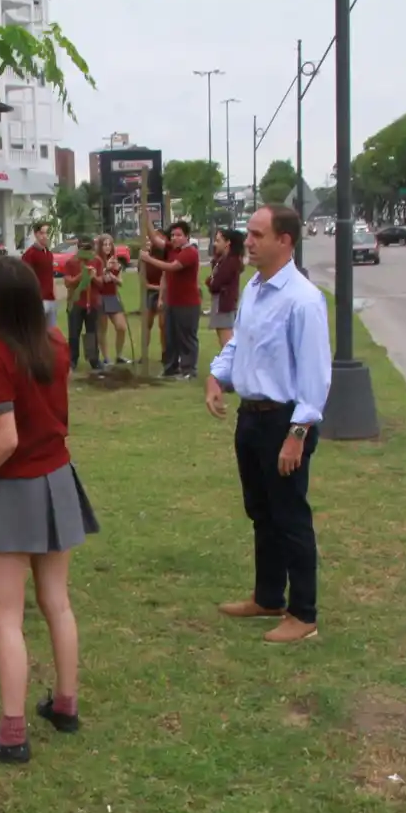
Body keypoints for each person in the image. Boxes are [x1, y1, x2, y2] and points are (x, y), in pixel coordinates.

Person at [0, 256, 100, 764]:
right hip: (56, 477)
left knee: (5, 615)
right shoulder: (54, 342)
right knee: (57, 602)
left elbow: (5, 439)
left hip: (15, 489)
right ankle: (65, 705)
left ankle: (11, 735)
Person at [205, 205, 332, 644]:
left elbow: (315, 379)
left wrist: (297, 435)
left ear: (286, 241)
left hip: (285, 421)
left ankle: (304, 613)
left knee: (289, 515)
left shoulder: (302, 299)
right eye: (248, 234)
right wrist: (217, 375)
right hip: (252, 418)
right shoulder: (255, 289)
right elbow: (240, 342)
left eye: (259, 234)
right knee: (261, 512)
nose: (250, 242)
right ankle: (268, 596)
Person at [141, 222, 201, 379]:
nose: (174, 238)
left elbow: (171, 267)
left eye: (179, 235)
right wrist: (145, 215)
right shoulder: (172, 249)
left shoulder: (190, 252)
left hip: (187, 303)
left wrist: (148, 259)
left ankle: (189, 370)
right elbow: (155, 239)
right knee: (170, 337)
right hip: (171, 302)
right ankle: (170, 368)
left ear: (187, 236)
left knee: (186, 337)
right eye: (173, 235)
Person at [62, 234, 103, 372]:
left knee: (92, 332)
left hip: (92, 302)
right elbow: (68, 283)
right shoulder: (71, 262)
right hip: (76, 303)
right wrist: (81, 276)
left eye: (90, 250)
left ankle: (93, 360)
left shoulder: (97, 261)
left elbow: (102, 282)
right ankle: (73, 360)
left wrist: (94, 277)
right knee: (74, 333)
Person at [206, 228, 246, 349]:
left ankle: (232, 366)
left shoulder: (231, 262)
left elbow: (215, 284)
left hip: (224, 305)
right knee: (223, 338)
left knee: (227, 342)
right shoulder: (222, 260)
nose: (215, 244)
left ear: (227, 243)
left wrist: (210, 282)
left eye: (218, 241)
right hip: (221, 304)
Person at [94, 233, 130, 365]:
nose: (107, 247)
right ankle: (106, 358)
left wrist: (114, 278)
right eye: (105, 244)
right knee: (102, 328)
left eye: (110, 244)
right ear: (100, 246)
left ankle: (119, 355)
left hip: (112, 297)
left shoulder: (116, 262)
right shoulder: (97, 261)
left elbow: (121, 282)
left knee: (121, 327)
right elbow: (95, 277)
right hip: (100, 297)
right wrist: (105, 269)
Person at [140, 230, 170, 367]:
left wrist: (162, 292)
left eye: (161, 237)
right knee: (147, 324)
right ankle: (144, 353)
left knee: (163, 324)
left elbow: (167, 276)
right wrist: (158, 288)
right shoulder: (146, 257)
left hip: (163, 294)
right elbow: (143, 282)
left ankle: (165, 353)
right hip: (151, 293)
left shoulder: (166, 256)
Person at [21, 221, 58, 328]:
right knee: (37, 332)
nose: (45, 236)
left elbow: (50, 276)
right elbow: (25, 279)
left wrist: (55, 294)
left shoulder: (49, 253)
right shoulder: (30, 254)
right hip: (38, 300)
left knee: (51, 333)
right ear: (36, 234)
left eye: (47, 233)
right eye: (42, 233)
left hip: (51, 299)